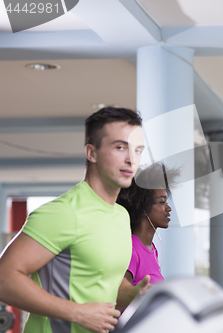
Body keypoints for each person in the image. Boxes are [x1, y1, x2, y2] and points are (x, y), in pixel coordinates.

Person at [0, 107, 150, 333]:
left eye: (137, 150)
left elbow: (99, 276)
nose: (131, 159)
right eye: (120, 147)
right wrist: (77, 312)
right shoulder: (64, 213)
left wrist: (132, 293)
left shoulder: (120, 215)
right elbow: (4, 280)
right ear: (92, 153)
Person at [117, 162, 174, 287]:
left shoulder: (152, 249)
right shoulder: (130, 250)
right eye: (162, 202)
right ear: (142, 205)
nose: (168, 208)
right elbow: (119, 299)